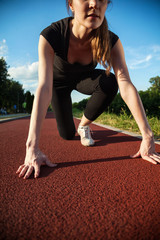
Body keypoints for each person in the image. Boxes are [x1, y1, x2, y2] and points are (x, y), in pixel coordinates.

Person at [16, 0, 160, 179]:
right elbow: (44, 87)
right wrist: (32, 147)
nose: (94, 3)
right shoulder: (51, 34)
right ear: (71, 4)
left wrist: (148, 136)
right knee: (68, 135)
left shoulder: (111, 40)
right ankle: (73, 128)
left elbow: (126, 84)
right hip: (57, 85)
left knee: (110, 81)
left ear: (106, 5)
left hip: (84, 80)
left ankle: (84, 125)